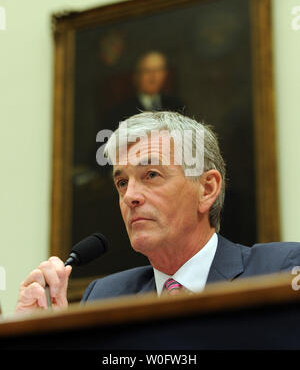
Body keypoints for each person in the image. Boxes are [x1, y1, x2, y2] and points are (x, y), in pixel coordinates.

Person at [16, 111, 300, 312]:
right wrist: (42, 337)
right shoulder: (105, 298)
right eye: (122, 182)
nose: (130, 196)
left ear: (207, 189)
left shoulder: (282, 272)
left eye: (151, 174)